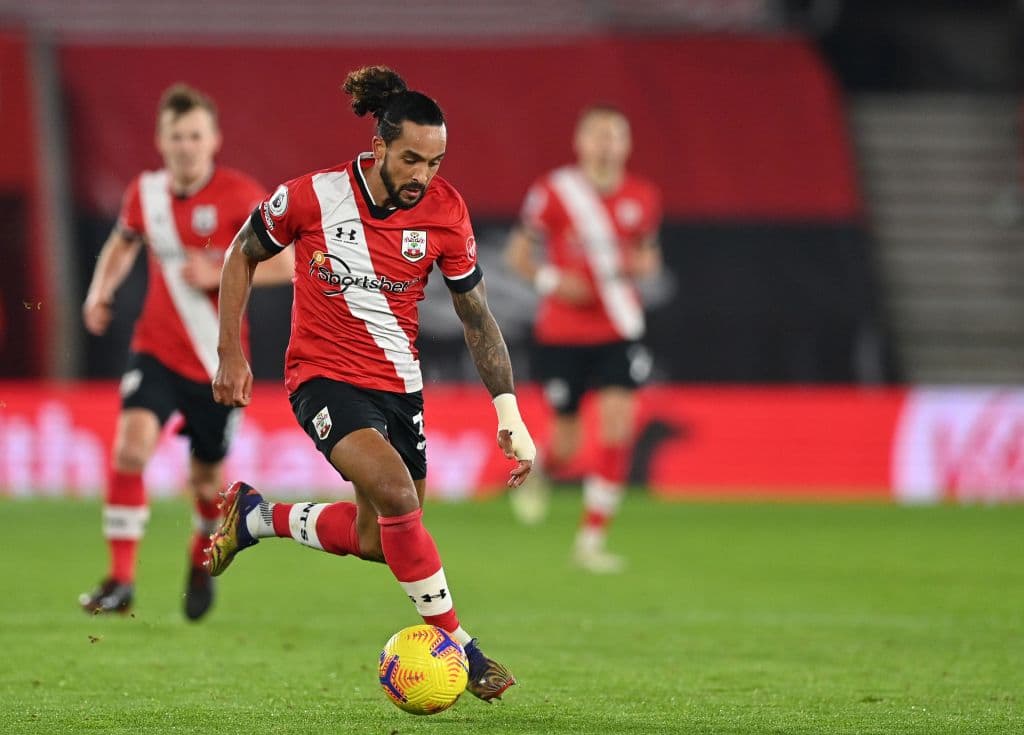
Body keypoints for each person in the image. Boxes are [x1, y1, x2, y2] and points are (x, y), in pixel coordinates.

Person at [208, 66, 536, 702]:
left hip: (399, 386)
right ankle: (464, 650)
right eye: (411, 158)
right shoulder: (314, 195)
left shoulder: (446, 212)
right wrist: (229, 351)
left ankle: (257, 518)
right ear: (379, 146)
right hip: (322, 377)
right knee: (394, 493)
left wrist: (509, 411)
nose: (423, 175)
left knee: (377, 537)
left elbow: (476, 316)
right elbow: (241, 253)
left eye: (435, 162)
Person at [79, 84, 294, 619]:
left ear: (214, 139)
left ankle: (200, 561)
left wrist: (218, 267)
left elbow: (285, 265)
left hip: (215, 360)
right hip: (154, 349)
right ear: (161, 140)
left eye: (195, 135)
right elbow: (122, 242)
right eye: (176, 136)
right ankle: (120, 580)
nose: (186, 146)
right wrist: (99, 291)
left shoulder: (242, 196)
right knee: (129, 450)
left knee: (206, 483)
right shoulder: (145, 194)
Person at [504, 104, 662, 574]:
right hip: (563, 333)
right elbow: (517, 254)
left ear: (627, 145)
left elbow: (651, 259)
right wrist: (554, 282)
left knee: (617, 427)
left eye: (615, 135)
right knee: (568, 441)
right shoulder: (555, 192)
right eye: (597, 134)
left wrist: (635, 266)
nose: (605, 143)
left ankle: (591, 540)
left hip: (618, 328)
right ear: (580, 142)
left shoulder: (643, 196)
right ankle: (542, 476)